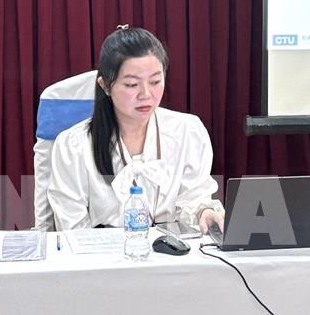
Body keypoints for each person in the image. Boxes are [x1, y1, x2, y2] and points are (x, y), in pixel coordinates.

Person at [47, 26, 224, 232]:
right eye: (132, 84)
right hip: (101, 250)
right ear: (105, 86)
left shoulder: (187, 131)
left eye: (155, 81)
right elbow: (72, 227)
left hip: (171, 248)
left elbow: (194, 197)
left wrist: (204, 212)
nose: (146, 94)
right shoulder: (73, 146)